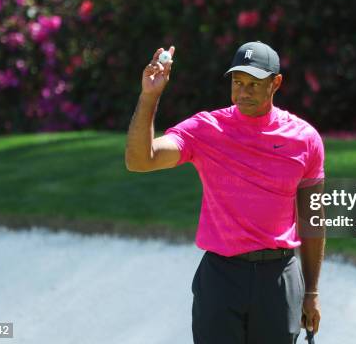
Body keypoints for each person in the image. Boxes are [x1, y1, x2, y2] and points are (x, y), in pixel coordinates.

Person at [125, 41, 326, 344]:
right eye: (237, 82)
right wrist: (150, 96)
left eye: (253, 84)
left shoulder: (305, 139)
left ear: (276, 83)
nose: (243, 91)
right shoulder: (206, 129)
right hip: (221, 276)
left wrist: (311, 292)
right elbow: (141, 160)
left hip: (278, 278)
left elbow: (313, 219)